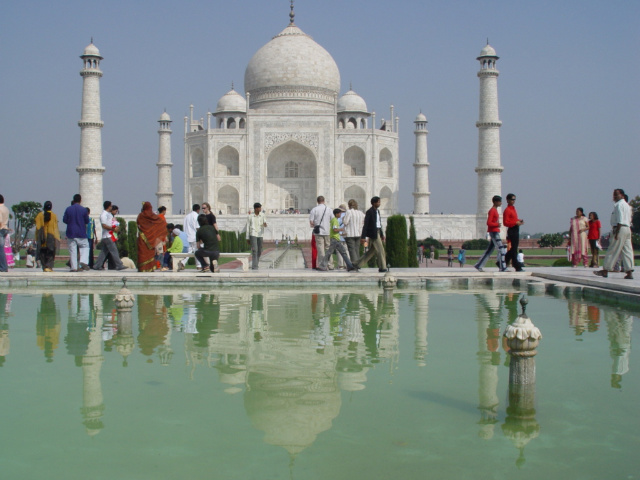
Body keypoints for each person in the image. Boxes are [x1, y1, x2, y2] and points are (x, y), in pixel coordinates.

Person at [594, 189, 634, 279]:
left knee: (613, 249)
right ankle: (629, 271)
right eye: (614, 195)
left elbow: (620, 219)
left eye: (616, 195)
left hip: (620, 228)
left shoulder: (619, 205)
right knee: (627, 250)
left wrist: (617, 232)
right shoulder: (628, 206)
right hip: (627, 229)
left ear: (622, 195)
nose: (614, 197)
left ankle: (605, 270)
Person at [319, 207, 358, 272]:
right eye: (339, 213)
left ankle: (349, 266)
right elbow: (335, 230)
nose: (340, 214)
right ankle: (323, 265)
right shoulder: (335, 220)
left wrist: (341, 234)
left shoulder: (335, 220)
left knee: (341, 252)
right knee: (334, 252)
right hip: (335, 239)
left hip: (335, 238)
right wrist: (341, 229)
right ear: (336, 214)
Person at [474, 195, 507, 272]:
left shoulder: (494, 210)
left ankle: (479, 265)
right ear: (495, 202)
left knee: (489, 251)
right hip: (494, 232)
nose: (501, 203)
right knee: (501, 249)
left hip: (494, 231)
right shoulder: (492, 211)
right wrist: (497, 225)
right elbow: (488, 222)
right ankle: (503, 267)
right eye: (500, 201)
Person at [356, 196, 387, 272]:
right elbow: (366, 225)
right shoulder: (369, 212)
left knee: (371, 252)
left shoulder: (377, 211)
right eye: (378, 202)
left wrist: (382, 235)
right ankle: (382, 267)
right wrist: (363, 237)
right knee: (380, 250)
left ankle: (357, 264)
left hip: (378, 232)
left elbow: (378, 224)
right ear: (374, 203)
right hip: (374, 233)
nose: (379, 203)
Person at [93, 201, 127, 271]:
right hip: (107, 236)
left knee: (104, 252)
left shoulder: (108, 214)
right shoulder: (103, 215)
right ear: (108, 206)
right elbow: (104, 225)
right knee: (114, 251)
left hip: (109, 235)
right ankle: (119, 265)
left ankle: (97, 265)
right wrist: (113, 228)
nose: (112, 207)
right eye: (111, 206)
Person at [136, 201, 167, 272]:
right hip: (150, 238)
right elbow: (161, 223)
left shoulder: (140, 215)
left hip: (142, 237)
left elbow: (138, 224)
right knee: (149, 254)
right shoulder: (152, 215)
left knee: (142, 253)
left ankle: (142, 268)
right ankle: (150, 268)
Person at [62, 194, 90, 272]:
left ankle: (74, 267)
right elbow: (87, 221)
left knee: (73, 250)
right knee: (85, 247)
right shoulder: (84, 210)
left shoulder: (68, 209)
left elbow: (64, 220)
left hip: (71, 232)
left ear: (73, 200)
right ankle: (83, 262)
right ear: (80, 201)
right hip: (81, 232)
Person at [34, 201, 60, 272]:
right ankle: (49, 266)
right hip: (51, 236)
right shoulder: (54, 215)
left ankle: (44, 266)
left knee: (42, 252)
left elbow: (37, 227)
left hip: (42, 237)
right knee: (50, 252)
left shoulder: (39, 215)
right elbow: (55, 227)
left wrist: (37, 238)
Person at [503, 193, 525, 271]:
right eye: (512, 199)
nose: (513, 201)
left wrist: (519, 221)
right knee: (514, 249)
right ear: (508, 200)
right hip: (512, 230)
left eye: (514, 199)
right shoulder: (507, 210)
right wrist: (515, 223)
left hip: (516, 229)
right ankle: (516, 266)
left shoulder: (513, 209)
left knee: (514, 248)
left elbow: (513, 220)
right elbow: (505, 223)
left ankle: (502, 262)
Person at [309, 196, 332, 271]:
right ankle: (330, 265)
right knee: (328, 248)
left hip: (318, 232)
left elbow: (311, 222)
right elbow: (332, 219)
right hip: (327, 232)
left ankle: (323, 266)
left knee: (320, 249)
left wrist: (315, 224)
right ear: (324, 201)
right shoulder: (329, 209)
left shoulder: (314, 209)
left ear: (317, 201)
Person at [342, 199, 365, 265]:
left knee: (352, 250)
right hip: (358, 233)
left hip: (350, 234)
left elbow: (345, 222)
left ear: (349, 205)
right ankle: (358, 264)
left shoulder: (349, 212)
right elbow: (364, 220)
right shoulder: (360, 213)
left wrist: (343, 218)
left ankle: (355, 264)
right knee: (356, 250)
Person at [246, 202, 267, 270]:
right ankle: (255, 266)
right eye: (259, 208)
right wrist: (247, 238)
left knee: (259, 250)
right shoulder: (250, 216)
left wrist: (265, 225)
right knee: (255, 250)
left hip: (260, 234)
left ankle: (256, 263)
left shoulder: (263, 215)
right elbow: (248, 227)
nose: (260, 209)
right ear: (256, 208)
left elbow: (265, 223)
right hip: (253, 234)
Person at [183, 204, 201, 270]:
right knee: (197, 251)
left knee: (188, 251)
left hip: (187, 237)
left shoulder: (186, 216)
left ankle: (182, 262)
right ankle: (199, 265)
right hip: (194, 237)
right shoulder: (196, 216)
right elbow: (197, 227)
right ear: (198, 210)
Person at [0, 194, 10, 273]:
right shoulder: (6, 208)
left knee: (0, 249)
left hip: (1, 229)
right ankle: (4, 266)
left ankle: (3, 267)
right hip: (5, 229)